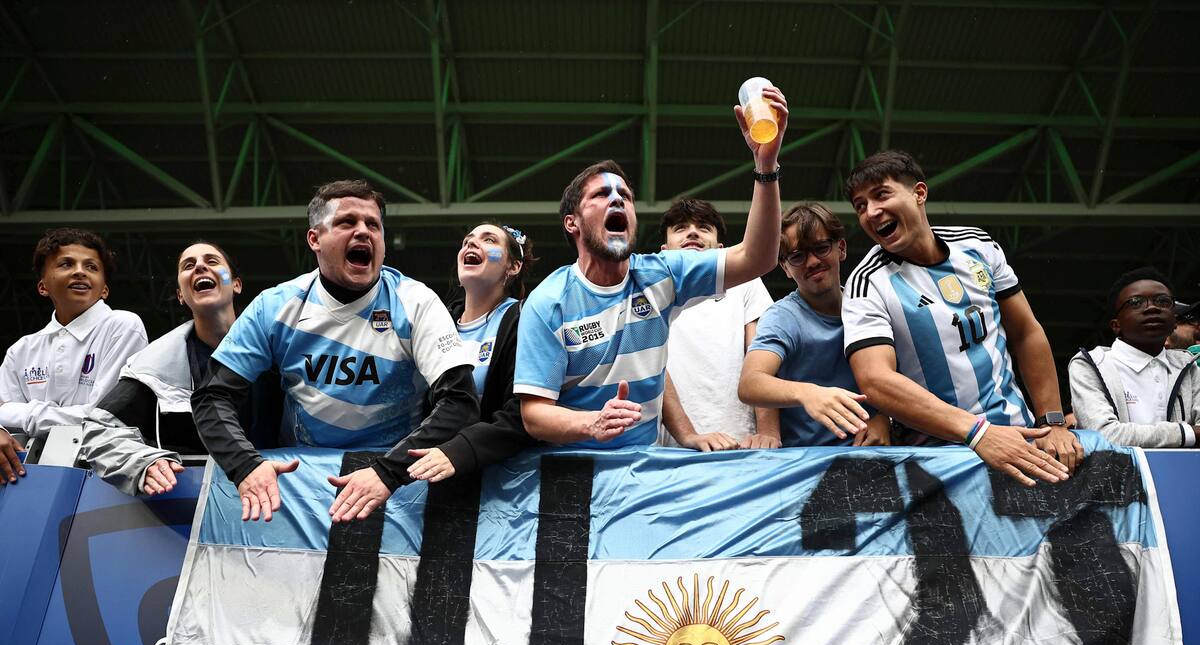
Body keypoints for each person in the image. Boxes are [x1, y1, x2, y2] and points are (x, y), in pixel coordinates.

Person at [515, 85, 790, 447]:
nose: (618, 199)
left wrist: (765, 166)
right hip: (576, 475)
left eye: (625, 196)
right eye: (601, 195)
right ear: (573, 223)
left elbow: (759, 258)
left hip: (645, 472)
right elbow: (534, 414)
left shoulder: (661, 274)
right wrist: (593, 423)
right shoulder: (548, 301)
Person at [191, 179, 478, 522]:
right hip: (301, 487)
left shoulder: (416, 302)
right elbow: (211, 396)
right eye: (347, 222)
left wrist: (389, 472)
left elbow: (460, 401)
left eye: (374, 225)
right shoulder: (275, 306)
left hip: (395, 488)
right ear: (314, 239)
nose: (364, 232)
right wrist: (244, 465)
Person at [841, 150, 1080, 486]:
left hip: (1023, 442)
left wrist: (1053, 421)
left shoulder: (978, 245)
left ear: (919, 193)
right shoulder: (867, 283)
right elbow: (875, 379)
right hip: (937, 463)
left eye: (881, 195)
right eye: (860, 205)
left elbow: (1026, 332)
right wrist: (978, 433)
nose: (871, 212)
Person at [80, 242, 281, 496]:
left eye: (212, 261)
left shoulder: (283, 351)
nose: (199, 266)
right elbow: (100, 431)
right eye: (188, 265)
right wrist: (141, 462)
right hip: (193, 504)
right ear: (181, 296)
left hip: (286, 491)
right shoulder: (154, 366)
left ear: (236, 284)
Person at [0, 228, 147, 480]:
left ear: (104, 290)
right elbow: (8, 433)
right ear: (43, 286)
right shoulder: (21, 350)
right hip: (25, 476)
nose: (80, 271)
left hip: (104, 476)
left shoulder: (123, 325)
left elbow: (102, 419)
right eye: (66, 264)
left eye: (91, 267)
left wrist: (19, 413)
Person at [739, 202, 890, 447]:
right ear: (785, 267)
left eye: (821, 248)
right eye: (798, 256)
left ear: (840, 248)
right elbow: (750, 383)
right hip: (807, 463)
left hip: (871, 453)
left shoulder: (872, 304)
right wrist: (808, 393)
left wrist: (884, 418)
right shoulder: (782, 317)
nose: (812, 262)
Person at [406, 222, 537, 482]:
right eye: (468, 239)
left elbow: (522, 414)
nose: (471, 243)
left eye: (489, 240)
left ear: (513, 267)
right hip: (430, 476)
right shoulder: (434, 321)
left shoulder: (525, 318)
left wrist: (459, 451)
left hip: (500, 481)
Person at [656, 198, 780, 451]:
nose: (692, 232)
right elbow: (653, 364)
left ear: (722, 248)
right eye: (680, 228)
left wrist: (768, 431)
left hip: (742, 443)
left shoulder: (746, 281)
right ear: (664, 250)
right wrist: (687, 433)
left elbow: (762, 356)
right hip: (672, 447)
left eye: (704, 227)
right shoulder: (650, 286)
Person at [1069, 268, 1199, 448]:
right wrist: (1189, 433)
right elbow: (1103, 436)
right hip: (1116, 475)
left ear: (1174, 322)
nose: (1152, 307)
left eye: (1162, 301)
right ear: (1116, 325)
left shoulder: (1190, 366)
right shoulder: (1090, 364)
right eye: (1136, 302)